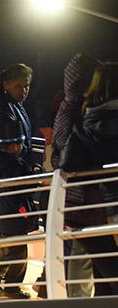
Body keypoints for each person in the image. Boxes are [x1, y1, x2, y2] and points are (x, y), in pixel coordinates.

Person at [60, 61, 118, 295]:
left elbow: (67, 164)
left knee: (101, 265)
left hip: (88, 208)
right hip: (110, 204)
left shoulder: (85, 121)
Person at [0, 63, 38, 296]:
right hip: (6, 173)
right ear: (6, 84)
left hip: (8, 173)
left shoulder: (12, 106)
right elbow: (8, 145)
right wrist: (15, 149)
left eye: (26, 87)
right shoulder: (4, 108)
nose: (23, 91)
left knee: (11, 230)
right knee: (16, 230)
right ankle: (10, 283)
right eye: (19, 86)